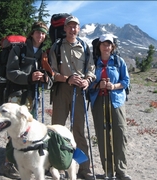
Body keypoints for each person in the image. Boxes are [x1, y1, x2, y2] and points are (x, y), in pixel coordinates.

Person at [0, 21, 50, 179]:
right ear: (32, 33)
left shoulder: (44, 54)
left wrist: (45, 78)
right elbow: (11, 72)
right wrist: (29, 77)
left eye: (43, 33)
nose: (40, 36)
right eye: (37, 32)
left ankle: (23, 164)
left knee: (27, 130)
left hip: (31, 97)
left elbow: (50, 77)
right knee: (14, 130)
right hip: (16, 95)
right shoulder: (18, 49)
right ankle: (7, 164)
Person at [49, 15, 96, 180]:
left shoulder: (85, 46)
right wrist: (67, 78)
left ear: (79, 28)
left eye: (75, 26)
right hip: (62, 90)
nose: (72, 29)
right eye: (70, 26)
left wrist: (87, 80)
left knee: (78, 131)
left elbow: (91, 68)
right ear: (65, 28)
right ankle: (59, 166)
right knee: (57, 129)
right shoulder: (56, 47)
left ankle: (84, 168)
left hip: (79, 92)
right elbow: (52, 72)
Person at [88, 34, 131, 180]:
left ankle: (121, 170)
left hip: (117, 100)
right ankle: (108, 172)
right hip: (98, 100)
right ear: (99, 46)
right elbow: (87, 83)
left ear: (113, 46)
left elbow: (125, 81)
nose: (106, 47)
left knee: (120, 133)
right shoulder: (93, 63)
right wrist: (96, 85)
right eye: (103, 44)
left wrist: (114, 86)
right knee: (102, 134)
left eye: (109, 44)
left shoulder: (119, 61)